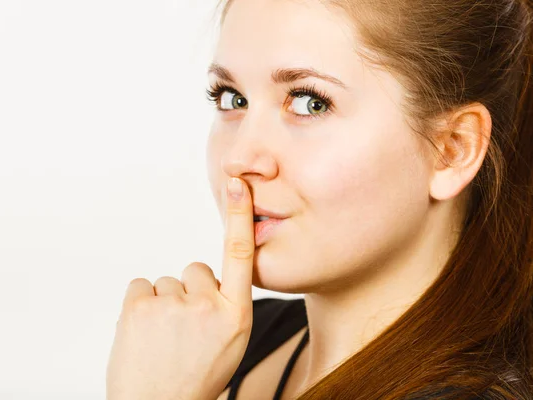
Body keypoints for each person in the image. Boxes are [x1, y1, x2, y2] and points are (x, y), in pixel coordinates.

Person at [105, 0, 533, 399]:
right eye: (232, 99)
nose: (238, 159)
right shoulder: (218, 350)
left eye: (310, 103)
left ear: (452, 148)